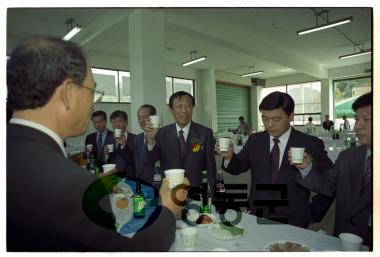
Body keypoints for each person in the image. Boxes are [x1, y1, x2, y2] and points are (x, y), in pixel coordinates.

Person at [7, 36, 189, 251]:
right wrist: (168, 208)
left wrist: (97, 187)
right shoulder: (70, 184)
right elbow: (133, 250)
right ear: (67, 93)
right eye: (93, 91)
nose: (93, 105)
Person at [218, 91, 333, 228]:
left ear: (291, 116)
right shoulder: (255, 140)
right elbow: (238, 167)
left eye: (276, 119)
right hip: (257, 214)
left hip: (293, 220)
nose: (269, 125)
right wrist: (230, 157)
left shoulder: (310, 144)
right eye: (265, 119)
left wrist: (313, 212)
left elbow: (332, 182)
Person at [296, 92, 372, 247]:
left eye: (367, 119)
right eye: (357, 119)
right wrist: (307, 167)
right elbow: (328, 186)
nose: (358, 125)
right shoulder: (347, 157)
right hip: (346, 239)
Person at [144, 91, 217, 188]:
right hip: (170, 190)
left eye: (188, 106)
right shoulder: (161, 133)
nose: (184, 110)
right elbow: (150, 161)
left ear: (193, 108)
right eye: (179, 106)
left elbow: (211, 168)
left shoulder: (205, 133)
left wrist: (211, 195)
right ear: (171, 110)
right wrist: (150, 140)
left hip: (196, 190)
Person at [133, 104, 157, 185]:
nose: (142, 120)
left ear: (154, 117)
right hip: (140, 183)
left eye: (145, 117)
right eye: (139, 117)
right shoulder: (137, 138)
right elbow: (137, 163)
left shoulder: (164, 136)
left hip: (157, 184)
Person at [107, 110, 136, 176]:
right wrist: (106, 155)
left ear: (126, 122)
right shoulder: (109, 138)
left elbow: (135, 160)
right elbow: (104, 161)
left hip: (129, 177)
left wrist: (124, 145)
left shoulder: (135, 139)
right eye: (114, 122)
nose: (117, 125)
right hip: (112, 176)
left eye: (120, 121)